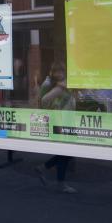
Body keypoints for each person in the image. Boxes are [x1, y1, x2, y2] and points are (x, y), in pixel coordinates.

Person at [35, 61, 77, 194]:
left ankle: (43, 168)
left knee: (69, 152)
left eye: (62, 71)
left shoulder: (63, 83)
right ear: (52, 72)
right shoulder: (51, 85)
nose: (60, 74)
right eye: (57, 71)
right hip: (59, 121)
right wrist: (56, 112)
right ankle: (60, 183)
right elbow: (43, 101)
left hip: (68, 119)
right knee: (65, 152)